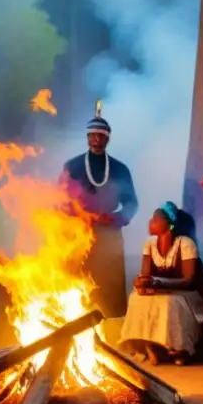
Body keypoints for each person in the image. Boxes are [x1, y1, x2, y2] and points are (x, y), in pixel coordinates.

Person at [59, 100, 138, 319]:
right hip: (78, 236)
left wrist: (116, 217)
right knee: (77, 283)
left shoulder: (120, 169)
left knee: (109, 286)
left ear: (108, 138)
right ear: (86, 138)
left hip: (109, 235)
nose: (96, 140)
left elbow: (132, 203)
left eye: (101, 136)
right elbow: (59, 201)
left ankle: (112, 326)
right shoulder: (72, 167)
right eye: (92, 135)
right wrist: (76, 218)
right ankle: (74, 324)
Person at [119, 202, 203, 365]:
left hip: (187, 294)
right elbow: (146, 275)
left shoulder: (185, 243)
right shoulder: (149, 243)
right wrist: (141, 283)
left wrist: (159, 282)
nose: (150, 222)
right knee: (136, 298)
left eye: (155, 219)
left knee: (170, 302)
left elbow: (189, 281)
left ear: (169, 224)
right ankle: (149, 344)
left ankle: (179, 348)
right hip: (162, 290)